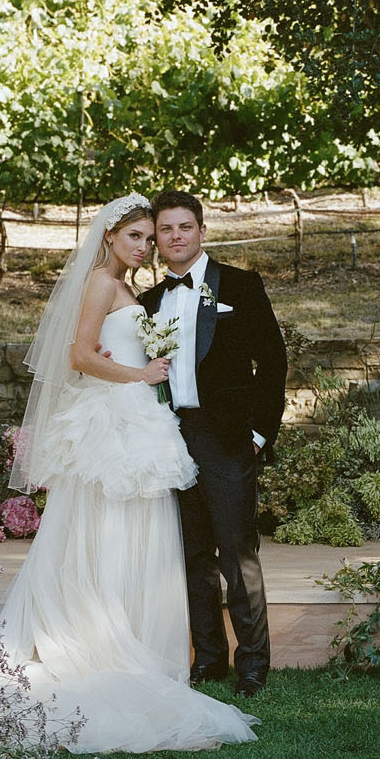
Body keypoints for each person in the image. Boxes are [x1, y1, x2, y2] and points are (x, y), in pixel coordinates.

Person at [0, 193, 258, 754]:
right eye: (136, 236)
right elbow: (79, 355)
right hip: (119, 421)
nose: (145, 245)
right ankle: (103, 643)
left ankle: (156, 643)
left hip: (151, 427)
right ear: (108, 236)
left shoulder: (138, 290)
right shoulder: (103, 284)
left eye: (147, 236)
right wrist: (139, 376)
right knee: (113, 534)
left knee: (166, 541)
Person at [143, 190, 288, 697]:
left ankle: (253, 663)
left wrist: (257, 433)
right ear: (157, 240)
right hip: (169, 437)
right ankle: (208, 658)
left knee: (236, 553)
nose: (176, 236)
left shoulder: (240, 287)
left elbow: (273, 361)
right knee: (192, 554)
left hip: (226, 438)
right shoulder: (148, 303)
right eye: (166, 229)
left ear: (202, 231)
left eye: (185, 227)